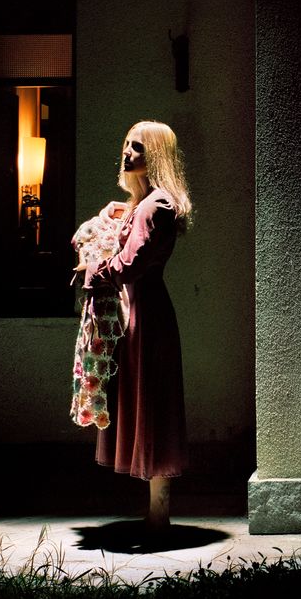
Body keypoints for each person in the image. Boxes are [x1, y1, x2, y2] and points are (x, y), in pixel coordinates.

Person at [71, 120, 191, 534]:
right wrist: (119, 214)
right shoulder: (148, 204)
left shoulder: (155, 206)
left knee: (151, 408)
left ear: (155, 154)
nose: (127, 151)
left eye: (137, 146)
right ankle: (156, 513)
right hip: (142, 309)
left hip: (145, 314)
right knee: (147, 405)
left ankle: (159, 516)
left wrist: (91, 270)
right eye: (126, 143)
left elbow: (128, 265)